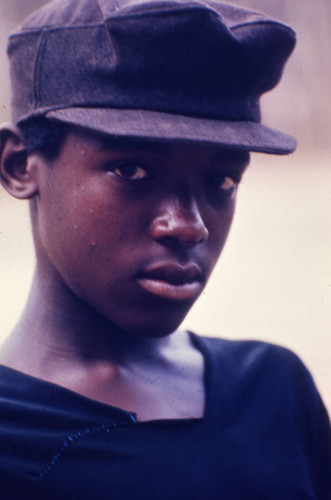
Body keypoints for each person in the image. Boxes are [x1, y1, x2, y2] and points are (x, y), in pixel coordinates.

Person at [0, 0, 330, 498]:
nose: (188, 226)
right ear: (21, 165)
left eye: (220, 180)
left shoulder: (273, 389)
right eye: (132, 171)